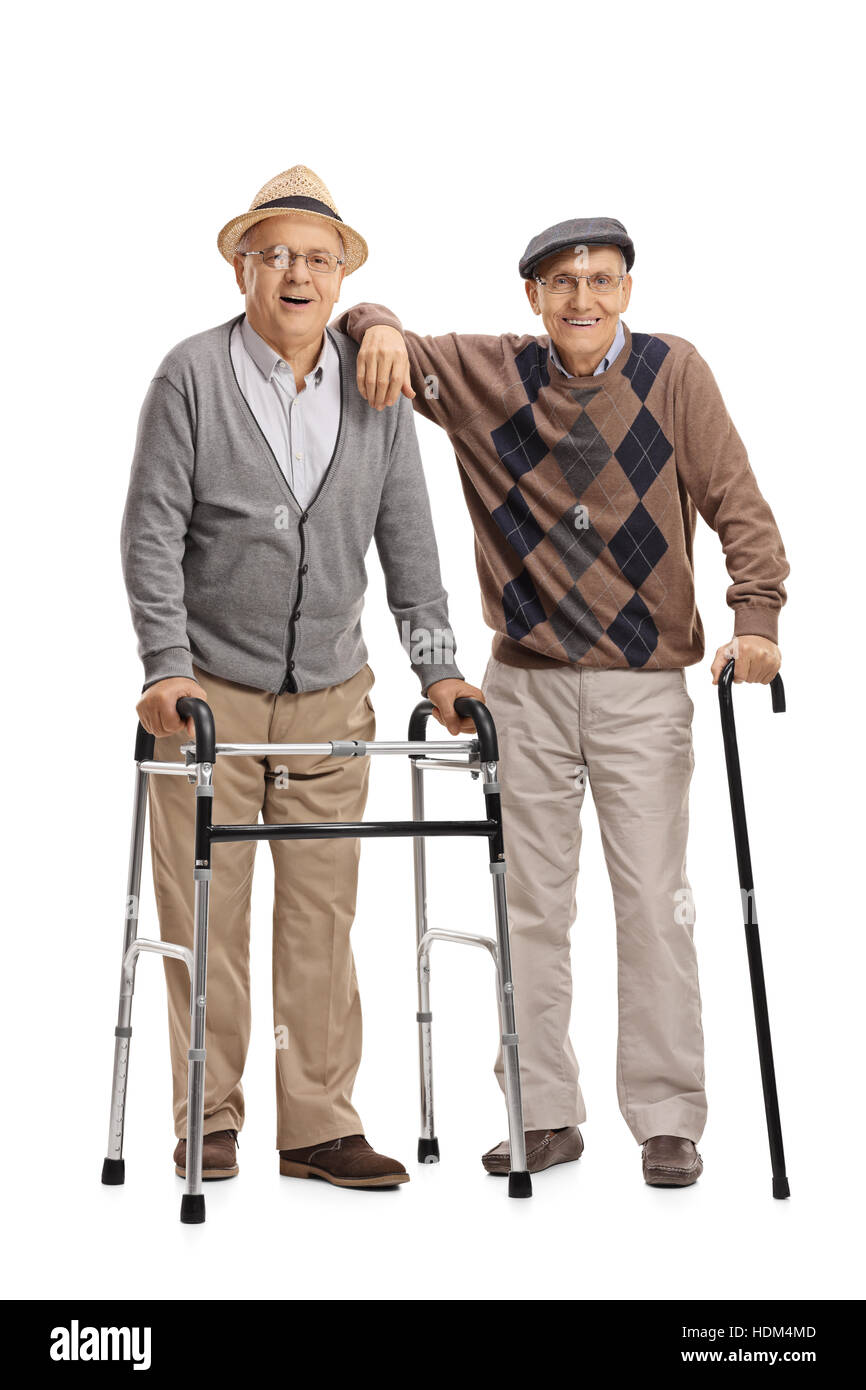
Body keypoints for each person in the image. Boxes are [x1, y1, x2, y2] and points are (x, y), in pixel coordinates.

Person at [333, 216, 789, 1186]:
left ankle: (667, 1118)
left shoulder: (673, 373)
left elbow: (736, 505)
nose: (582, 298)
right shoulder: (493, 374)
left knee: (654, 905)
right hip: (523, 687)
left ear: (627, 288)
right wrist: (374, 321)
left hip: (640, 689)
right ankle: (541, 1112)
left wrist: (755, 618)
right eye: (560, 282)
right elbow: (374, 335)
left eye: (600, 279)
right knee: (527, 904)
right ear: (532, 298)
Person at [120, 164, 482, 1189]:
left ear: (339, 279)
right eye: (274, 254)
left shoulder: (376, 388)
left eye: (316, 259)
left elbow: (409, 546)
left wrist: (442, 672)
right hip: (208, 698)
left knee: (321, 915)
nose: (295, 273)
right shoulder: (189, 375)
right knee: (208, 912)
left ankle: (317, 1123)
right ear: (242, 268)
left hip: (330, 691)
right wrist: (164, 668)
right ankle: (210, 1113)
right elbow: (150, 534)